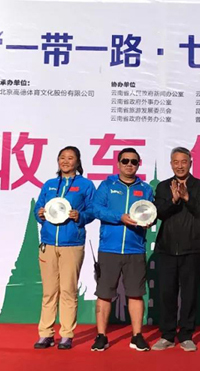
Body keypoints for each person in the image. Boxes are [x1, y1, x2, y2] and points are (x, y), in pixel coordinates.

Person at [91, 148, 154, 352]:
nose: (129, 164)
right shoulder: (107, 185)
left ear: (138, 164)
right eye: (125, 160)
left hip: (135, 249)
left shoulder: (145, 189)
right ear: (118, 163)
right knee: (104, 294)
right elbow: (96, 209)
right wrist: (120, 217)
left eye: (133, 161)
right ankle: (101, 336)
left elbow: (150, 213)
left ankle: (137, 336)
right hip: (109, 248)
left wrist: (149, 221)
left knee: (136, 294)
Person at [33, 146, 96, 350]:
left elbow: (93, 210)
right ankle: (45, 334)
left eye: (70, 158)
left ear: (78, 162)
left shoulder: (85, 185)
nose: (65, 161)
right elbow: (37, 207)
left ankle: (67, 334)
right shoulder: (49, 184)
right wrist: (39, 214)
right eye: (62, 157)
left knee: (68, 290)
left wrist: (81, 216)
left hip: (72, 244)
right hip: (48, 243)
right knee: (49, 291)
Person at [152, 147, 200, 352]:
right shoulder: (163, 186)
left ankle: (186, 335)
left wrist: (187, 197)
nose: (179, 166)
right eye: (175, 162)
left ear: (190, 163)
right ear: (171, 164)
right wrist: (174, 200)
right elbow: (158, 212)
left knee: (189, 294)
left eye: (183, 161)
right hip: (166, 248)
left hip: (191, 248)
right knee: (166, 293)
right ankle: (167, 335)